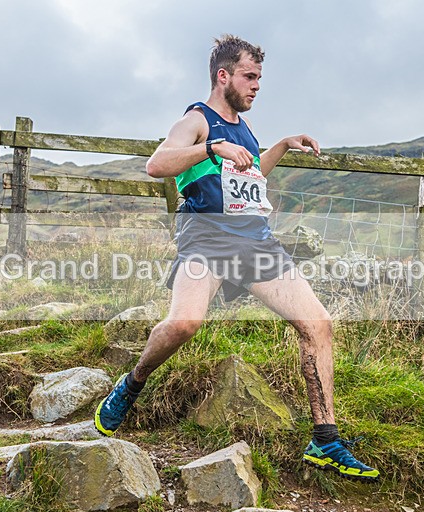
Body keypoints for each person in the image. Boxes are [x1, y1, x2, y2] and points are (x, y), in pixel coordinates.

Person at [94, 34, 379, 482]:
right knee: (185, 324)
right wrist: (211, 147)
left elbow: (246, 176)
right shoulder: (197, 119)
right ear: (223, 75)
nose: (257, 86)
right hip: (205, 240)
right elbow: (157, 164)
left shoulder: (244, 128)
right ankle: (131, 385)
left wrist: (281, 146)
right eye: (250, 76)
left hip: (255, 243)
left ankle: (324, 439)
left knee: (317, 324)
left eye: (260, 78)